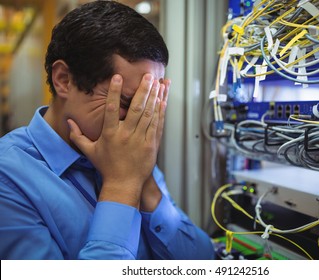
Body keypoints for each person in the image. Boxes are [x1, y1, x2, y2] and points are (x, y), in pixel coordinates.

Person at [0, 0, 215, 260]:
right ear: (64, 80)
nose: (139, 120)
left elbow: (202, 259)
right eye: (127, 102)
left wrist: (144, 181)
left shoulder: (130, 153)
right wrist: (122, 185)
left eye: (146, 104)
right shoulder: (9, 178)